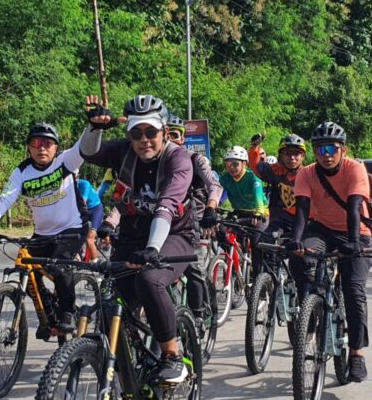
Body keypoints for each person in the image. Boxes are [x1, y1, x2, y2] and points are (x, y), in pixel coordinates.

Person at [81, 94, 196, 383]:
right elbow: (87, 152)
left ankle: (172, 355)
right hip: (132, 235)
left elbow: (167, 206)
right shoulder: (124, 151)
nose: (144, 140)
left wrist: (153, 248)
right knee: (112, 298)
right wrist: (94, 127)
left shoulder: (178, 159)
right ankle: (124, 364)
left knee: (149, 279)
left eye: (151, 132)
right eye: (136, 133)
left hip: (173, 234)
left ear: (164, 132)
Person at [0, 123, 86, 334]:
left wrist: (94, 125)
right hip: (43, 233)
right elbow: (6, 198)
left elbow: (85, 145)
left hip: (72, 228)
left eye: (47, 143)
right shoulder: (22, 171)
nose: (41, 147)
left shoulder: (65, 161)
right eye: (36, 142)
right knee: (27, 267)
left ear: (56, 147)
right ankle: (47, 317)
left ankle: (68, 312)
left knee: (60, 266)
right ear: (28, 147)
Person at [284, 121, 372, 382]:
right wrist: (296, 241)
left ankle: (356, 353)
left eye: (331, 149)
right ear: (314, 152)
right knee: (300, 258)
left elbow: (354, 207)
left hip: (356, 233)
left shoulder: (355, 169)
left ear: (343, 149)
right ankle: (311, 305)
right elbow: (302, 211)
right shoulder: (306, 173)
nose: (326, 155)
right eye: (320, 149)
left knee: (353, 290)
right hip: (322, 230)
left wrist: (354, 242)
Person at [165, 112, 224, 326]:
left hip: (195, 219)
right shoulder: (153, 161)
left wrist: (210, 209)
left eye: (175, 135)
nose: (170, 139)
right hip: (165, 219)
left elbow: (214, 185)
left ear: (182, 138)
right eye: (166, 134)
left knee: (193, 267)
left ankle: (198, 316)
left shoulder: (195, 159)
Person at [248, 133, 307, 271]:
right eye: (287, 153)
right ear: (281, 155)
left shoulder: (308, 174)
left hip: (303, 222)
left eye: (296, 153)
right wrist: (254, 147)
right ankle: (267, 278)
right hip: (279, 221)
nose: (292, 158)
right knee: (264, 244)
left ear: (303, 156)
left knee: (303, 259)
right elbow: (256, 166)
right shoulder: (276, 171)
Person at [219, 145, 269, 221]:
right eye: (228, 164)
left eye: (235, 164)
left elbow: (258, 196)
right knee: (220, 226)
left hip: (258, 211)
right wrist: (212, 208)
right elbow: (218, 196)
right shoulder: (225, 179)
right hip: (238, 212)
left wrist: (259, 213)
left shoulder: (253, 176)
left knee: (259, 228)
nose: (231, 167)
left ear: (244, 164)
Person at [77, 178, 103, 262]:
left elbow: (83, 202)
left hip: (95, 210)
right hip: (84, 211)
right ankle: (78, 258)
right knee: (73, 236)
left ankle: (96, 264)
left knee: (89, 239)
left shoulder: (84, 184)